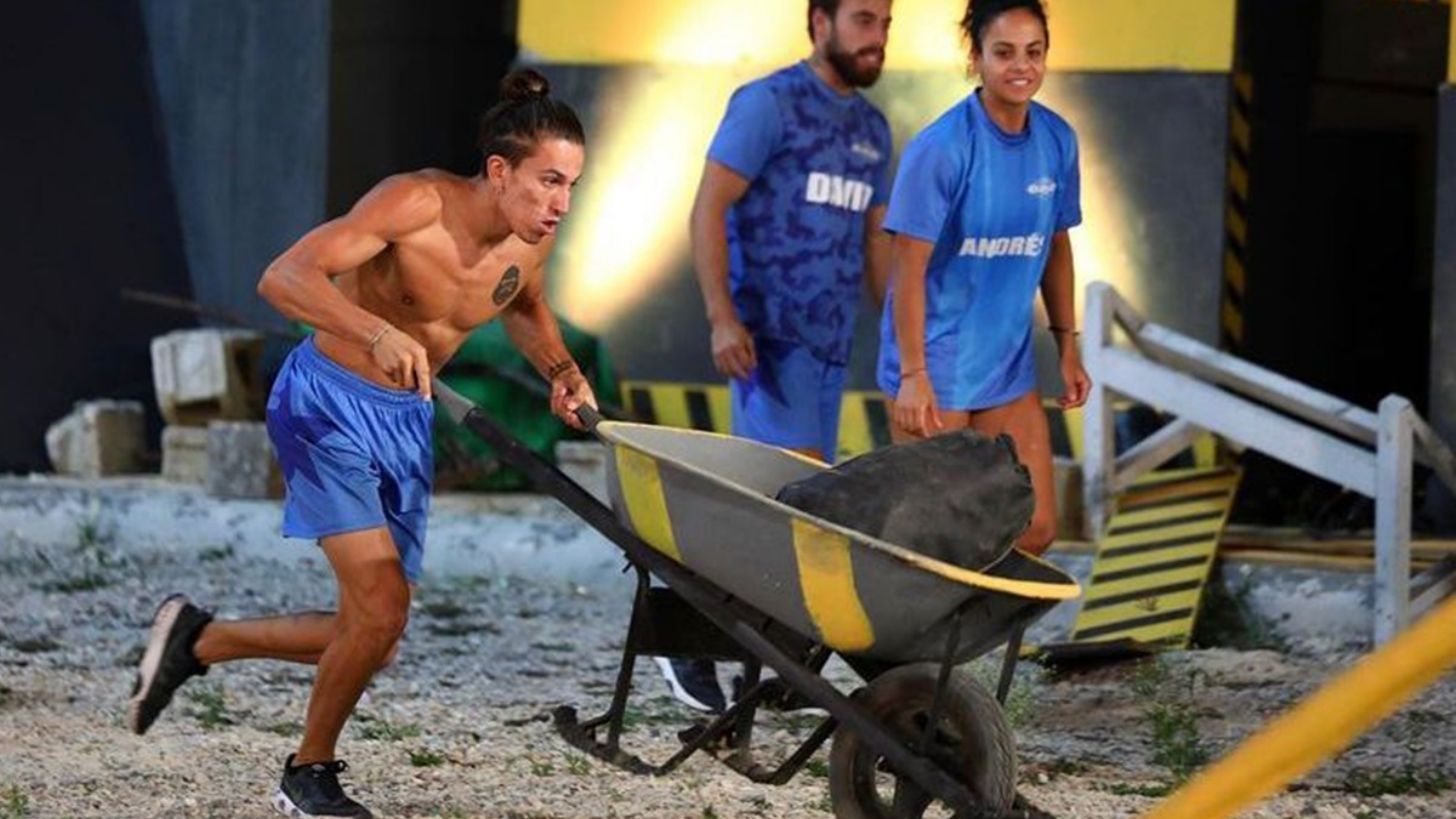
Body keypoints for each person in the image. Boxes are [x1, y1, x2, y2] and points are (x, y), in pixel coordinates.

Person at [125, 68, 596, 819]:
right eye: (549, 182)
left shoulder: (530, 239)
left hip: (405, 418)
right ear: (500, 170)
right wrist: (375, 331)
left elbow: (524, 305)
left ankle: (198, 641)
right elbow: (284, 276)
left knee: (378, 633)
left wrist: (562, 371)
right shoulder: (415, 203)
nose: (561, 204)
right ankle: (306, 773)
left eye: (571, 185)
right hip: (326, 404)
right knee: (378, 611)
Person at [660, 0, 894, 714]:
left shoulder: (873, 129)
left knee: (786, 504)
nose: (877, 37)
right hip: (768, 339)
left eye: (886, 23)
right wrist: (722, 318)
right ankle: (686, 634)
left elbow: (877, 243)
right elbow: (708, 207)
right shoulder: (769, 104)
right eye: (863, 19)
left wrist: (903, 344)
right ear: (819, 22)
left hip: (830, 348)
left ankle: (768, 666)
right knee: (787, 502)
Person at [879, 0, 1090, 558]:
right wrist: (913, 375)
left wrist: (1068, 346)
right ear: (975, 59)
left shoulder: (1058, 140)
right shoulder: (942, 148)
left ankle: (978, 618)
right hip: (936, 369)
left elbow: (1056, 245)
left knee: (1035, 528)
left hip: (1006, 369)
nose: (1021, 66)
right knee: (941, 544)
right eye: (1004, 52)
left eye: (1034, 52)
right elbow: (908, 268)